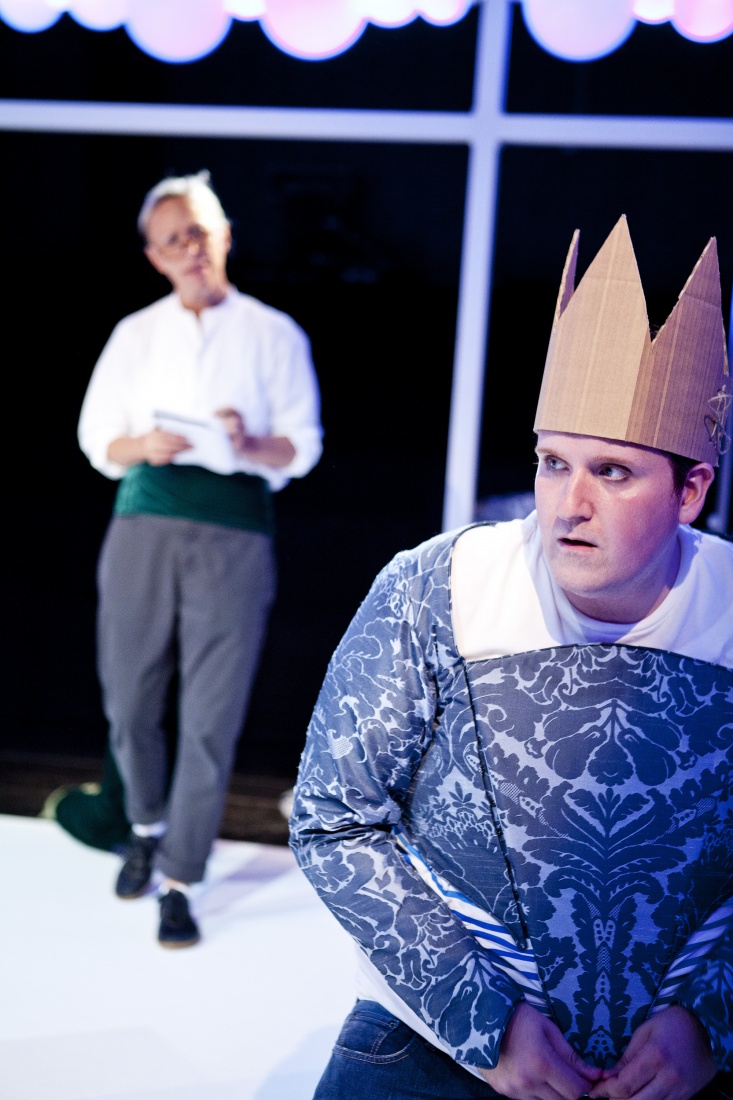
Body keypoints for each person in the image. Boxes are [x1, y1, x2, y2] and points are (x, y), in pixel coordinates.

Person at [289, 215, 733, 1100]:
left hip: (677, 1068)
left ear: (689, 491)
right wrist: (481, 1019)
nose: (567, 504)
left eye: (611, 472)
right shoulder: (437, 587)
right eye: (551, 462)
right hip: (430, 1046)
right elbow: (332, 818)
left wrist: (710, 1018)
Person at [79, 171, 322, 948]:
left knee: (211, 713)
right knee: (130, 696)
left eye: (198, 232)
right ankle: (145, 828)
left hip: (234, 524)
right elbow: (97, 438)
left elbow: (302, 445)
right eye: (171, 239)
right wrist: (142, 443)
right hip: (145, 514)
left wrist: (248, 441)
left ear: (223, 237)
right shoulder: (135, 333)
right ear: (154, 255)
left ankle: (182, 876)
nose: (188, 248)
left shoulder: (274, 333)